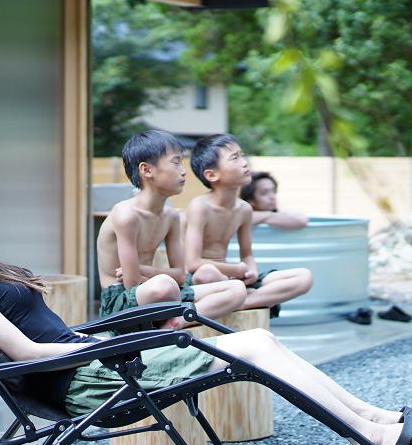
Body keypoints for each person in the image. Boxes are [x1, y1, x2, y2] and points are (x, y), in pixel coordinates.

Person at [0, 172, 412, 445]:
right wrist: (111, 345)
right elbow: (29, 355)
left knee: (255, 340)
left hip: (93, 363)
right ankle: (372, 439)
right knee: (252, 347)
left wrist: (102, 341)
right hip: (90, 382)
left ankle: (377, 426)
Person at [96, 130, 246, 328]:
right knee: (164, 286)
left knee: (236, 288)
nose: (183, 171)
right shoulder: (126, 214)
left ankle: (175, 324)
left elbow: (180, 274)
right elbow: (131, 282)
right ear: (147, 170)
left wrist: (146, 270)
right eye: (176, 162)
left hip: (163, 289)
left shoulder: (171, 216)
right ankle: (178, 312)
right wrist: (164, 277)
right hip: (121, 299)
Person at [185, 134, 313, 318]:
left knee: (303, 277)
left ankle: (242, 301)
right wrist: (237, 269)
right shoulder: (200, 206)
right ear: (212, 175)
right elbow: (193, 263)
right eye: (235, 158)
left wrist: (250, 270)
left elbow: (247, 255)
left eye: (242, 155)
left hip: (233, 279)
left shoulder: (244, 209)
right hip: (203, 280)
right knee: (207, 272)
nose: (245, 163)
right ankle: (243, 296)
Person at [240, 171, 308, 228]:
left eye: (274, 191)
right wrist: (269, 216)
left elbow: (302, 220)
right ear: (250, 200)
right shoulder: (238, 216)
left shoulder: (276, 215)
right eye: (264, 193)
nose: (272, 197)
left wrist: (267, 216)